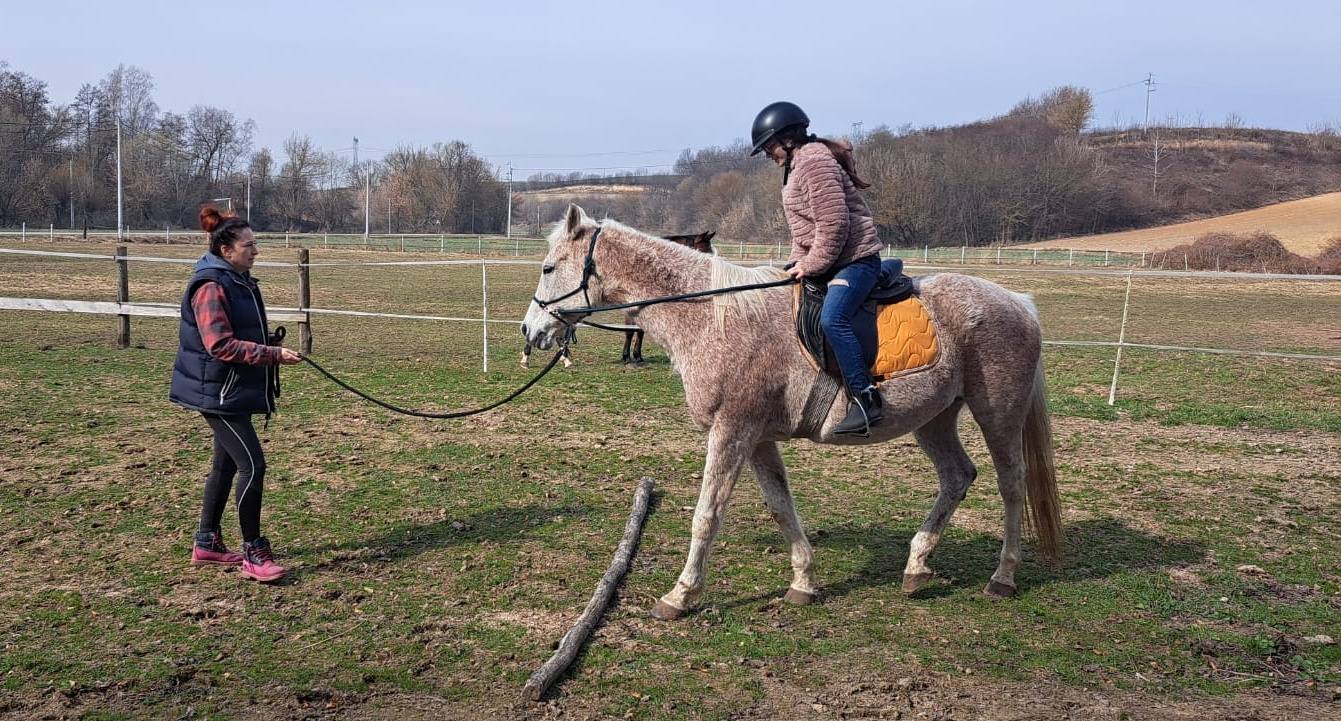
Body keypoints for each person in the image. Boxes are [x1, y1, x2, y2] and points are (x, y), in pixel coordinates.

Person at [170, 206, 301, 582]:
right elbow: (219, 345)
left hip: (228, 389)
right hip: (217, 392)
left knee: (226, 465)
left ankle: (207, 543)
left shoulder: (238, 280)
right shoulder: (212, 286)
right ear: (226, 250)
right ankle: (254, 552)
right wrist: (272, 354)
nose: (255, 251)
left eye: (255, 244)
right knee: (252, 466)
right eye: (249, 245)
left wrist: (267, 343)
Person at [752, 101, 885, 435]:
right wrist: (794, 264)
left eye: (768, 147)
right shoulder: (796, 166)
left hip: (855, 260)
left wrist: (811, 264)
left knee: (832, 319)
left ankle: (866, 397)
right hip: (831, 262)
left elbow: (834, 224)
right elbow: (804, 232)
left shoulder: (814, 162)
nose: (767, 155)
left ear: (787, 139)